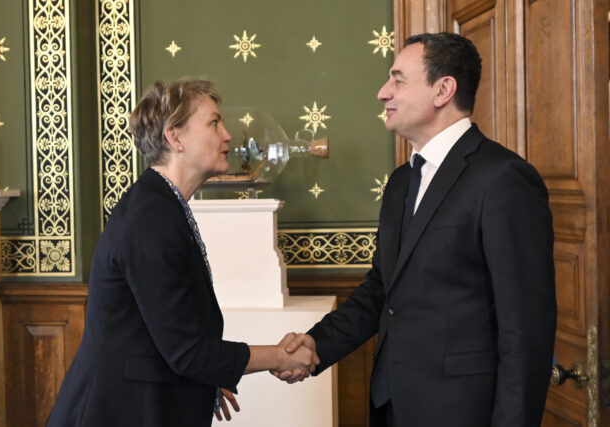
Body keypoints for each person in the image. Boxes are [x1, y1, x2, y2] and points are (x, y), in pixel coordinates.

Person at [276, 32, 557, 427]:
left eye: (398, 80)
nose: (383, 93)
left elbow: (525, 331)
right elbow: (381, 290)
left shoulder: (504, 178)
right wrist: (316, 344)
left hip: (463, 412)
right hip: (391, 404)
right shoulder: (401, 182)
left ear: (443, 90)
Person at [47, 79, 318, 427]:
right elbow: (187, 351)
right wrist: (279, 357)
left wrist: (205, 380)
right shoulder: (151, 216)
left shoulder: (160, 205)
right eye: (214, 123)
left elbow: (159, 335)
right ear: (175, 137)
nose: (228, 136)